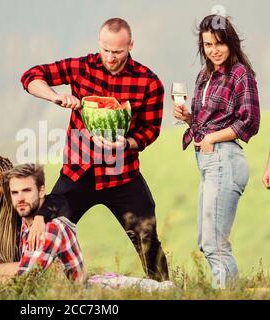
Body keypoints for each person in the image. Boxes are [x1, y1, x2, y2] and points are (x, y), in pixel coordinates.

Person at [21, 18, 169, 281]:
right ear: (99, 43)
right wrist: (56, 96)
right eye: (106, 50)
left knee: (148, 241)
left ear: (131, 45)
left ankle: (164, 291)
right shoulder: (81, 67)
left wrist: (127, 143)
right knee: (44, 228)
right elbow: (31, 76)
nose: (111, 58)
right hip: (78, 171)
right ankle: (29, 285)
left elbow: (150, 130)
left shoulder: (148, 82)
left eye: (118, 52)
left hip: (123, 175)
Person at [173, 15, 260, 287]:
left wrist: (212, 137)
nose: (214, 50)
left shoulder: (239, 73)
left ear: (230, 42)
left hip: (225, 159)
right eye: (208, 44)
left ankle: (226, 293)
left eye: (219, 43)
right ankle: (229, 291)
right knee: (207, 241)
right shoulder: (204, 75)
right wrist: (188, 118)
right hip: (209, 163)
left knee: (215, 244)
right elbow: (206, 120)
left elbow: (250, 121)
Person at [0, 163, 85, 282]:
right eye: (15, 192)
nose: (20, 198)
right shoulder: (24, 223)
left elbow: (25, 279)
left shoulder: (50, 227)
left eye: (26, 190)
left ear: (41, 191)